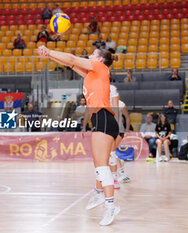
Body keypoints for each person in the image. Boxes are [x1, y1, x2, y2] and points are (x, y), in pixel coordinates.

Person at [37, 46, 119, 225]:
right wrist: (49, 56)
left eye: (93, 54)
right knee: (99, 165)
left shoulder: (100, 68)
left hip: (104, 117)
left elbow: (72, 59)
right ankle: (99, 194)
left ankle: (111, 206)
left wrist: (49, 50)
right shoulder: (92, 74)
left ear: (100, 60)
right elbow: (71, 65)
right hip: (100, 119)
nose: (90, 56)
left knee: (102, 167)